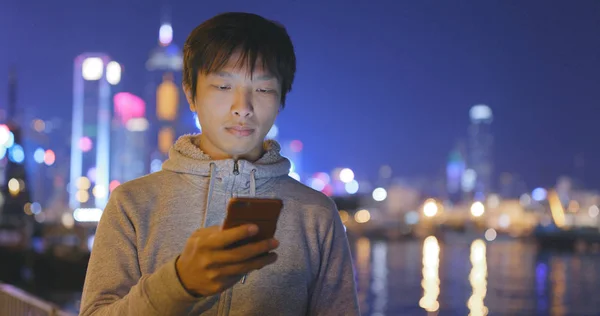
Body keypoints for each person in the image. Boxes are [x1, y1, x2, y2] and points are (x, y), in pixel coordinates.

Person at [79, 12, 360, 316]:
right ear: (191, 94)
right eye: (223, 87)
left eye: (263, 89)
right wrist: (179, 284)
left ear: (281, 100)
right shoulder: (132, 205)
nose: (243, 108)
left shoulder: (316, 214)